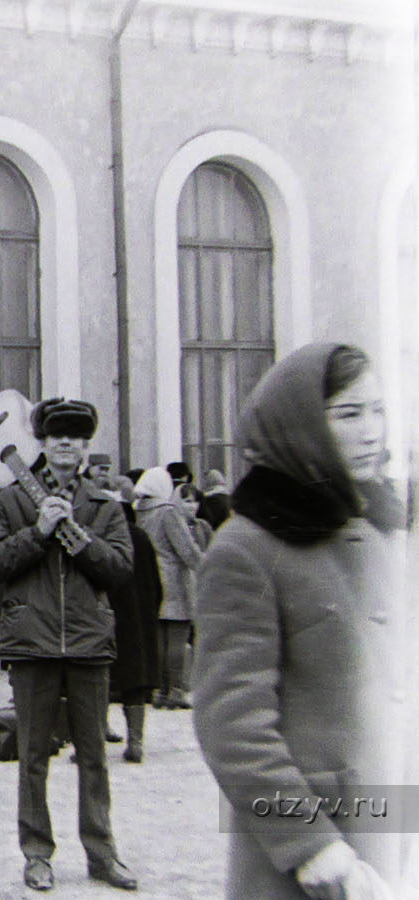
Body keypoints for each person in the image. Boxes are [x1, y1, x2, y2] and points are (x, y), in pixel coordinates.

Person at [194, 343, 405, 900]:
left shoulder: (380, 531)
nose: (372, 432)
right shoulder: (247, 548)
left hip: (392, 831)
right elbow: (234, 724)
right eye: (348, 414)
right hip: (309, 863)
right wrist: (314, 849)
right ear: (300, 424)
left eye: (378, 410)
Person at [0, 398, 138, 892]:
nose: (66, 443)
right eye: (56, 435)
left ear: (87, 446)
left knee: (93, 756)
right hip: (32, 643)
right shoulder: (10, 501)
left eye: (76, 436)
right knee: (33, 757)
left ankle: (102, 853)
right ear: (41, 443)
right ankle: (37, 853)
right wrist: (39, 531)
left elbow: (121, 568)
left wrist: (80, 537)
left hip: (89, 642)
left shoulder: (105, 505)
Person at [133, 467, 202, 711]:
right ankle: (176, 690)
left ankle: (160, 690)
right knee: (177, 637)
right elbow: (185, 548)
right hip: (173, 580)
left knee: (160, 638)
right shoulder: (168, 512)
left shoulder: (139, 510)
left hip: (150, 579)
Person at [104, 487, 161, 764]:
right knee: (135, 682)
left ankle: (94, 735)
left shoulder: (98, 537)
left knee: (96, 678)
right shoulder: (141, 537)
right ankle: (135, 741)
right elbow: (156, 584)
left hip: (104, 617)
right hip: (137, 620)